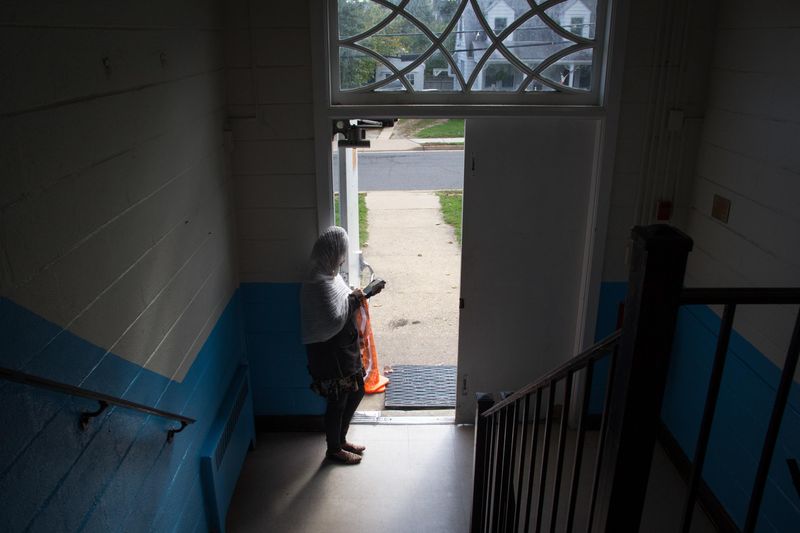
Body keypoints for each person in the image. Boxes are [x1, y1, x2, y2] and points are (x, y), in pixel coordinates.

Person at [300, 226, 381, 464]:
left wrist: (361, 295)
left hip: (344, 348)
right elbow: (335, 318)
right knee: (338, 401)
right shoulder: (317, 282)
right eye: (341, 252)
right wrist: (362, 296)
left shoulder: (330, 275)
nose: (343, 257)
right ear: (331, 251)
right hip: (329, 353)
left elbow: (343, 304)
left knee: (357, 392)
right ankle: (333, 449)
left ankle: (341, 440)